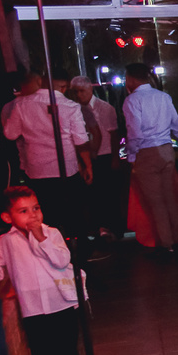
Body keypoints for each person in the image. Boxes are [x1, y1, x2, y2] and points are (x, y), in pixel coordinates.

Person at [0, 186, 92, 355]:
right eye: (24, 211)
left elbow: (62, 260)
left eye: (36, 208)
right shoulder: (5, 243)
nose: (33, 215)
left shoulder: (51, 233)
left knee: (67, 354)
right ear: (7, 217)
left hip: (60, 304)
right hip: (33, 309)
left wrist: (41, 238)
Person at [2, 72, 93, 238]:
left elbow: (10, 134)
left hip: (37, 168)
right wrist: (88, 165)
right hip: (66, 168)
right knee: (73, 212)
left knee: (46, 214)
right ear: (63, 87)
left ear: (41, 82)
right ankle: (77, 247)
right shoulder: (70, 106)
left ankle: (49, 248)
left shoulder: (21, 104)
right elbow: (80, 140)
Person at [123, 62, 178, 252]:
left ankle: (166, 243)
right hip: (167, 150)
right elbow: (177, 125)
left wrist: (131, 157)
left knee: (156, 202)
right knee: (171, 197)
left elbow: (135, 133)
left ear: (131, 79)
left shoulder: (132, 101)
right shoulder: (163, 97)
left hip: (146, 152)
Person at [67, 76, 121, 239]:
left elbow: (113, 134)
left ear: (90, 89)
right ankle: (98, 228)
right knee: (93, 195)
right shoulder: (74, 108)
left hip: (104, 154)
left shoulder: (104, 108)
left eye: (81, 91)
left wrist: (115, 157)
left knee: (107, 193)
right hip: (88, 155)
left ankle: (112, 228)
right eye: (75, 92)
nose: (79, 95)